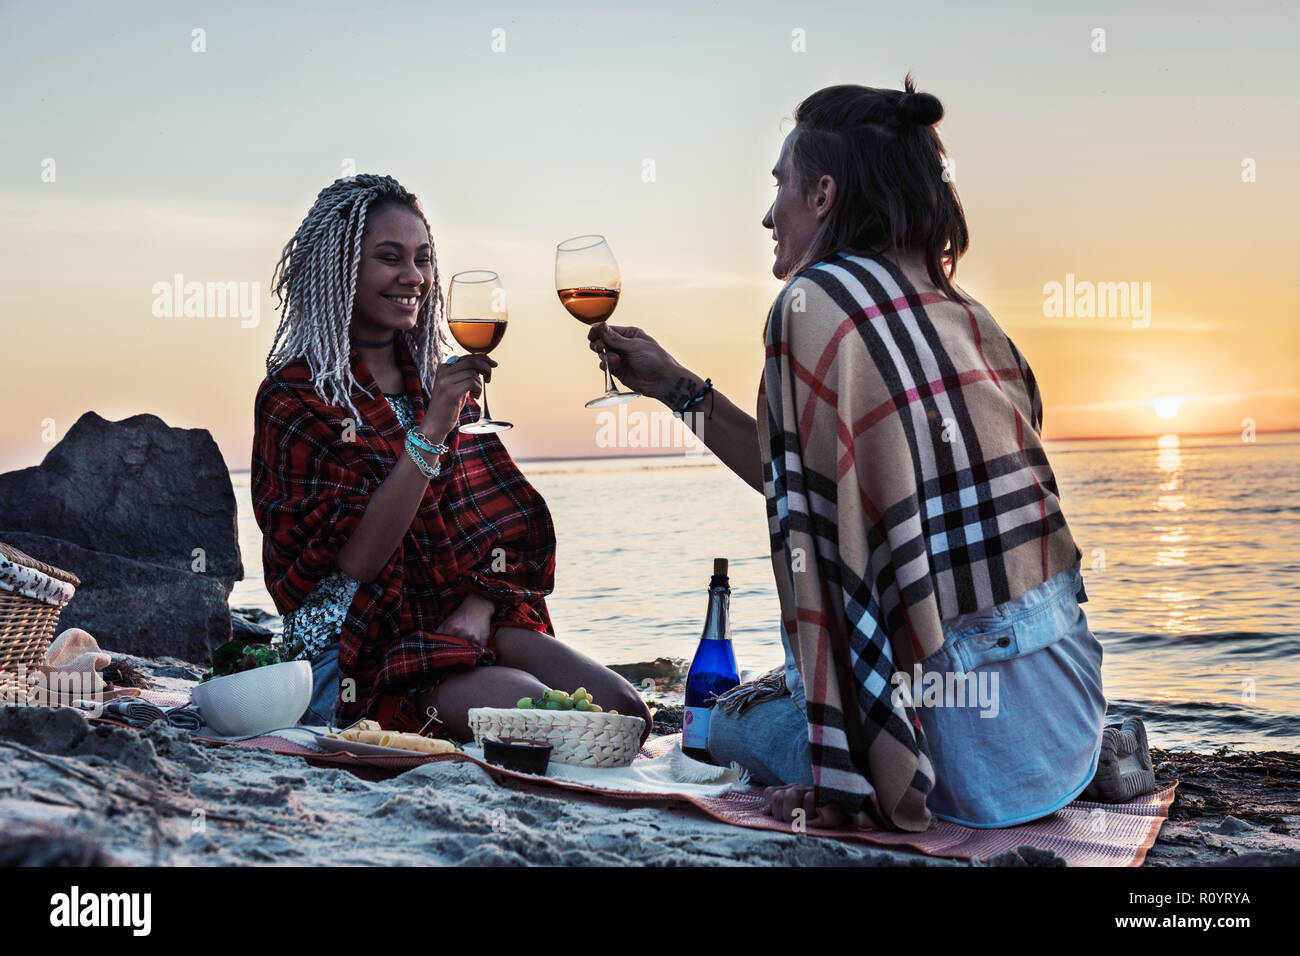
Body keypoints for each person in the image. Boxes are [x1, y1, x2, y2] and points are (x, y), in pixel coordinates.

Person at [589, 77, 1154, 831]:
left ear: (822, 194)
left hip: (953, 771)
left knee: (720, 723)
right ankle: (1106, 748)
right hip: (1067, 723)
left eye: (779, 186)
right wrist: (676, 387)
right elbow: (811, 479)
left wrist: (841, 776)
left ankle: (858, 758)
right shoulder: (971, 318)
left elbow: (812, 532)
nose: (767, 213)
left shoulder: (809, 304)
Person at [252, 174, 651, 742]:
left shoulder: (436, 381)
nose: (413, 277)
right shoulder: (295, 397)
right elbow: (360, 560)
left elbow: (500, 531)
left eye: (422, 259)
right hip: (363, 643)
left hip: (457, 613)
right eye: (389, 258)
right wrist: (433, 426)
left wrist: (478, 608)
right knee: (562, 722)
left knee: (626, 713)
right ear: (339, 269)